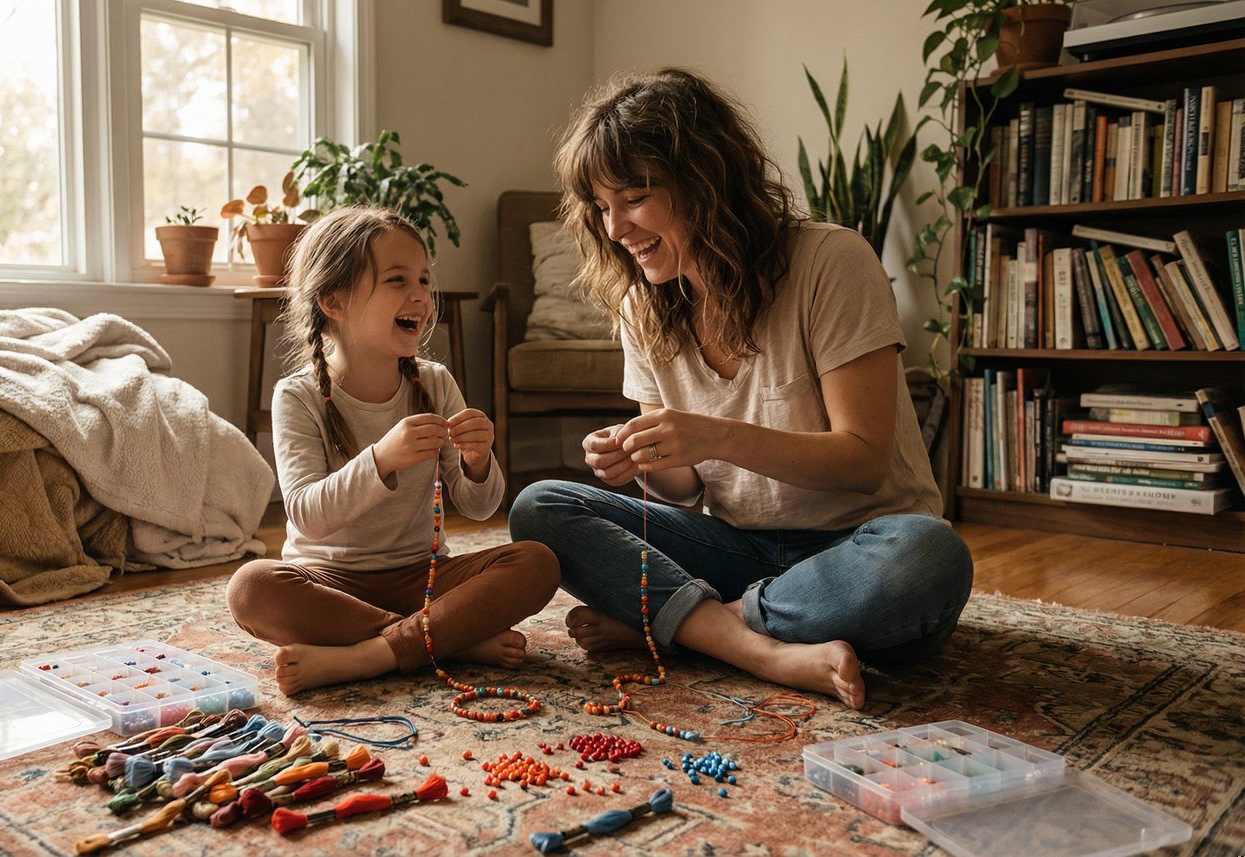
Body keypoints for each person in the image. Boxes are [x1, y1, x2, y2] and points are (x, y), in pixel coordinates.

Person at [508, 68, 973, 711]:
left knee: (929, 557)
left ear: (705, 179)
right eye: (601, 207)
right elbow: (686, 490)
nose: (615, 229)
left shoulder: (830, 262)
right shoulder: (641, 304)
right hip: (736, 549)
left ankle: (690, 626)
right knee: (541, 505)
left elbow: (864, 462)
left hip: (856, 548)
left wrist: (716, 434)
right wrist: (642, 457)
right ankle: (755, 644)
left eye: (634, 197)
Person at [228, 206, 560, 696]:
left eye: (424, 280)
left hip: (422, 575)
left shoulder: (436, 382)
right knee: (251, 588)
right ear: (333, 301)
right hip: (328, 580)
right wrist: (380, 458)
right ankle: (446, 638)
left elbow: (479, 507)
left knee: (538, 562)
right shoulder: (297, 396)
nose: (421, 296)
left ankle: (373, 653)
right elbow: (305, 516)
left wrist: (477, 462)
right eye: (397, 279)